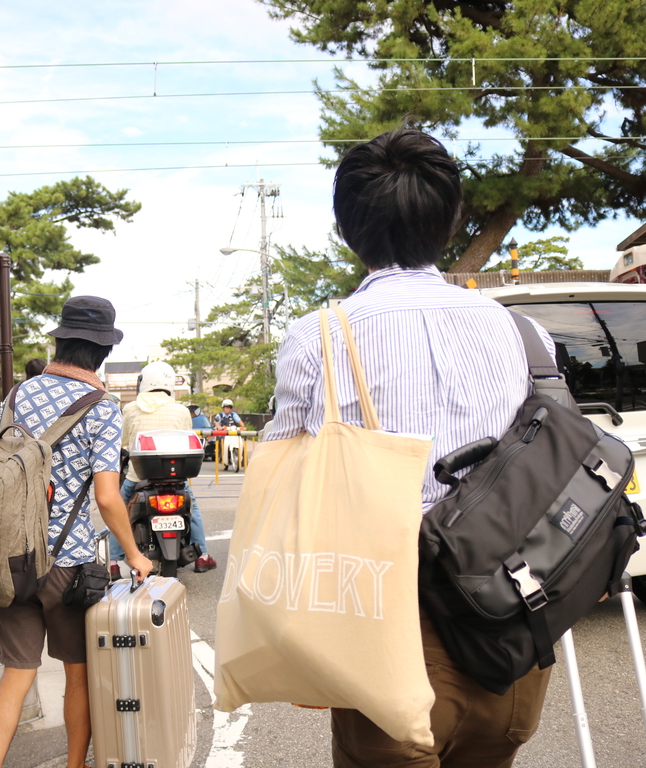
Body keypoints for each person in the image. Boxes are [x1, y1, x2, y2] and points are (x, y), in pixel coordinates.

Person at [267, 128, 555, 768]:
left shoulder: (319, 338)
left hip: (387, 635)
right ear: (451, 221)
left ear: (347, 229)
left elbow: (285, 488)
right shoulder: (525, 334)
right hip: (512, 636)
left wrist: (304, 646)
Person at [0, 296, 153, 768]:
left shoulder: (19, 394)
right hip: (68, 565)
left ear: (59, 341)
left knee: (16, 675)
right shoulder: (100, 407)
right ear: (100, 352)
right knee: (78, 676)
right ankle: (75, 765)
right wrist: (135, 555)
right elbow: (106, 497)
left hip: (11, 558)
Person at [108, 361, 217, 577]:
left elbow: (123, 441)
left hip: (137, 476)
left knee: (119, 509)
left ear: (144, 383)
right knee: (192, 508)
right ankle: (203, 555)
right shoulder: (181, 410)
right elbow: (187, 437)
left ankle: (114, 560)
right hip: (175, 477)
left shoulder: (130, 409)